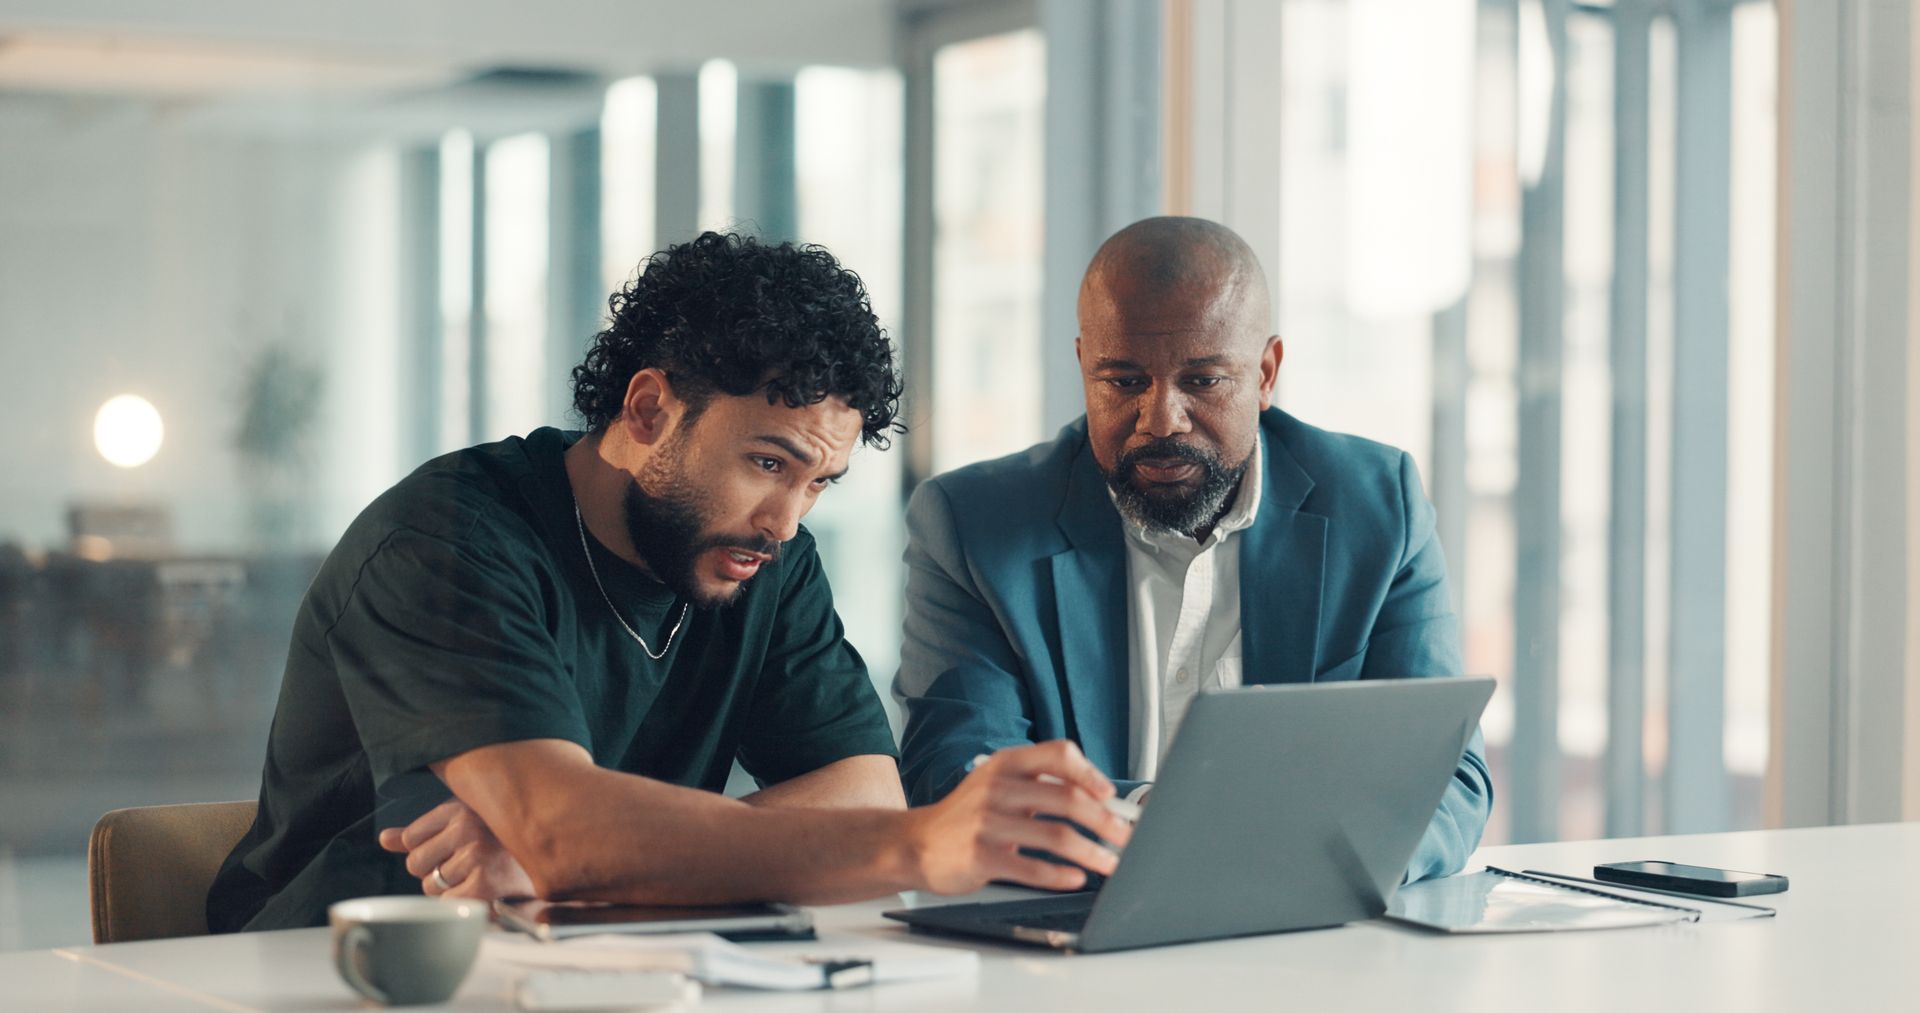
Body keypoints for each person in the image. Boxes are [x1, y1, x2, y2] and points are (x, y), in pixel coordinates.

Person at [208, 232, 1131, 932]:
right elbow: (567, 835)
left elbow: (862, 794)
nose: (787, 521)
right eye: (769, 463)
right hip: (328, 973)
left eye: (819, 484)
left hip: (591, 962)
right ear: (649, 408)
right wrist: (924, 847)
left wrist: (608, 855)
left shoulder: (761, 556)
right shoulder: (446, 542)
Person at [893, 217, 1491, 883]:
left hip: (1307, 933)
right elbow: (955, 774)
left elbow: (1448, 776)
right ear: (1084, 366)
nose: (1160, 420)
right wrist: (1182, 822)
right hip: (1067, 940)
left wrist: (1312, 870)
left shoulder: (1378, 507)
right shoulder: (973, 525)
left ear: (1265, 373)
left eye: (1203, 381)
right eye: (1122, 381)